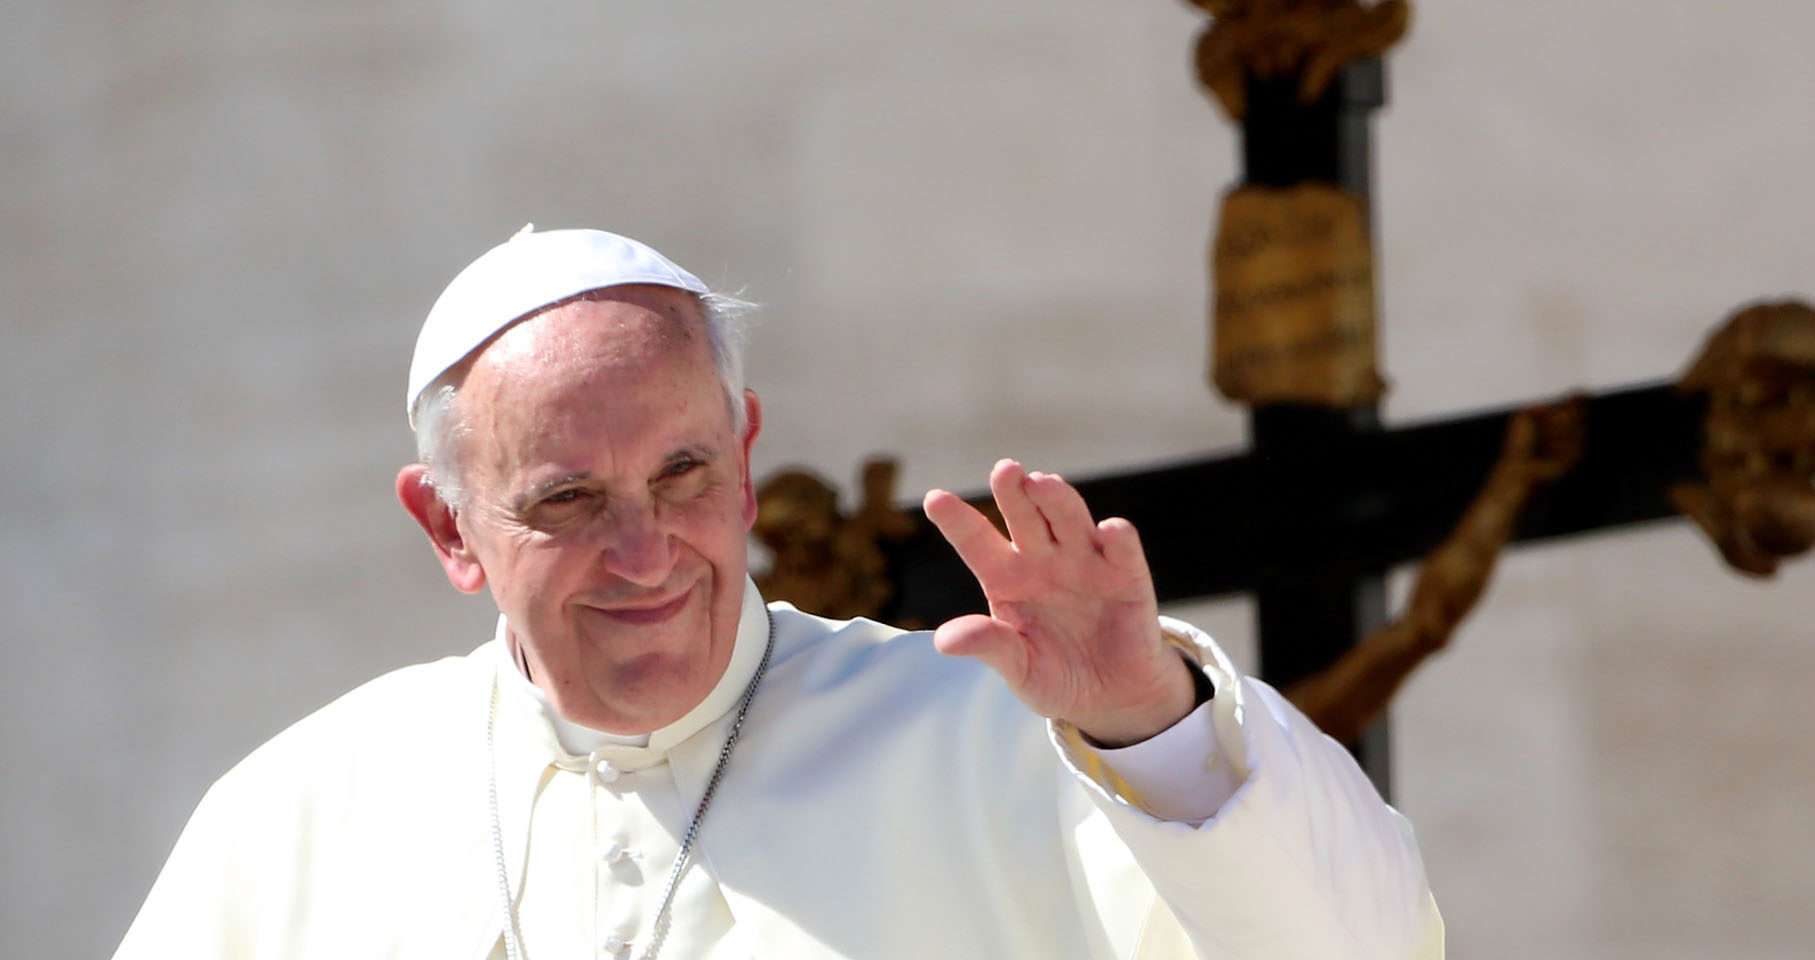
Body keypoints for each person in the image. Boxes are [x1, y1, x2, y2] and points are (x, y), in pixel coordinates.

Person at [114, 226, 1444, 959]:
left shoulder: (996, 737)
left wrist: (1152, 723)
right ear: (449, 527)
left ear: (747, 461)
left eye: (682, 474)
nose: (646, 553)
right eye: (569, 502)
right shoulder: (300, 815)